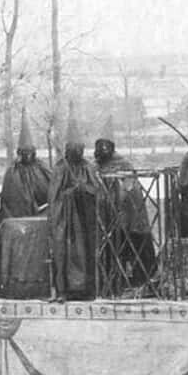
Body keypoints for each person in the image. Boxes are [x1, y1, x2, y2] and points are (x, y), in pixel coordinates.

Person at [94, 119, 156, 289]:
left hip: (126, 214)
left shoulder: (123, 164)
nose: (103, 149)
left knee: (132, 243)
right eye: (100, 146)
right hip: (106, 214)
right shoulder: (95, 166)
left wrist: (117, 199)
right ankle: (113, 280)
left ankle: (140, 280)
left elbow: (129, 188)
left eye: (106, 146)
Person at [48, 115, 101, 301]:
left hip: (85, 219)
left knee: (87, 253)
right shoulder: (60, 168)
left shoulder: (88, 167)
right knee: (64, 254)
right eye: (73, 148)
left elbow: (97, 191)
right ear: (67, 149)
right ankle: (64, 290)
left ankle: (86, 290)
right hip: (66, 221)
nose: (77, 152)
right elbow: (54, 197)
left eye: (80, 148)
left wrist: (84, 188)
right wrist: (69, 193)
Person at [0, 107, 52, 220]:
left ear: (33, 152)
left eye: (29, 152)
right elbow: (8, 200)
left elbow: (53, 189)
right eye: (24, 152)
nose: (27, 156)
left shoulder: (42, 168)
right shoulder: (13, 172)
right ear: (20, 153)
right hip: (20, 218)